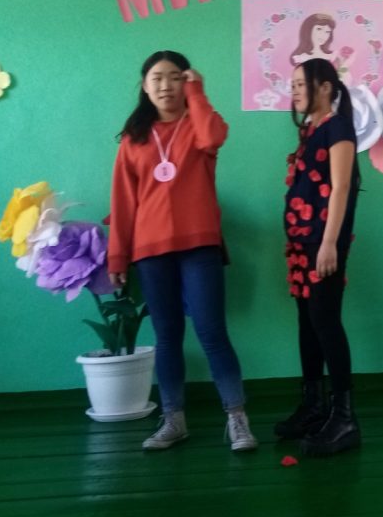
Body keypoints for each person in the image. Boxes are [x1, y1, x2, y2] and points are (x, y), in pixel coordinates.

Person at [108, 50, 258, 452]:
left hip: (199, 246)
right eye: (156, 78)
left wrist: (198, 92)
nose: (165, 85)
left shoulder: (199, 124)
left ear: (186, 81)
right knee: (167, 336)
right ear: (144, 86)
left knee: (212, 333)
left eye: (175, 77)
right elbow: (124, 202)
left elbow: (214, 137)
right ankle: (173, 419)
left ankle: (237, 419)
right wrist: (117, 256)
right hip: (150, 251)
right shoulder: (133, 138)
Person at [274, 58, 362, 456]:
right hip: (301, 242)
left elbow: (341, 187)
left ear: (325, 87)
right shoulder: (310, 130)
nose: (294, 90)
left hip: (322, 243)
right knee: (307, 323)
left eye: (301, 83)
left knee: (326, 323)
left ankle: (344, 418)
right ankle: (313, 406)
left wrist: (329, 243)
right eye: (291, 84)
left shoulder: (338, 127)